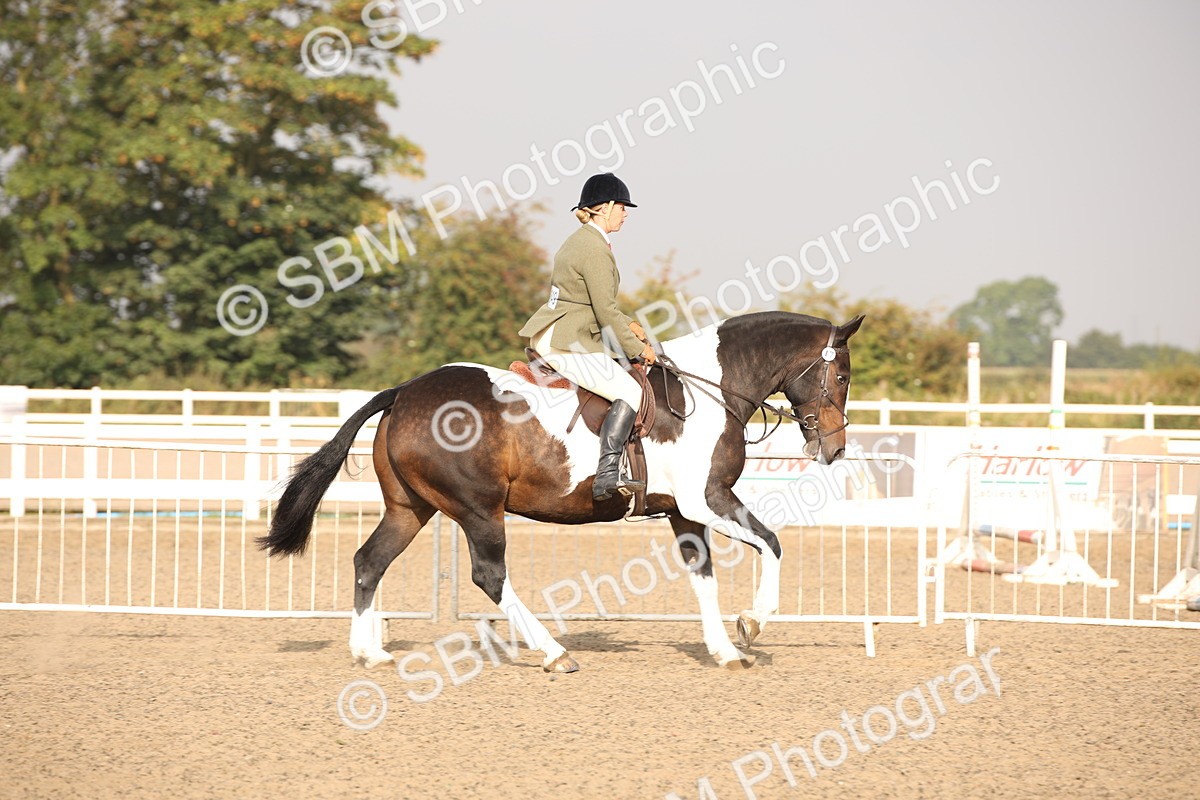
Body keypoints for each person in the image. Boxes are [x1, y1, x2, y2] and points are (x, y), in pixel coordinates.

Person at [518, 172, 657, 501]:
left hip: (557, 330)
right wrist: (639, 348)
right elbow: (605, 312)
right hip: (566, 339)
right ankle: (608, 474)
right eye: (622, 207)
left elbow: (592, 303)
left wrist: (630, 324)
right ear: (606, 207)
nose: (626, 213)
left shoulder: (581, 240)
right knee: (628, 389)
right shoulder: (594, 249)